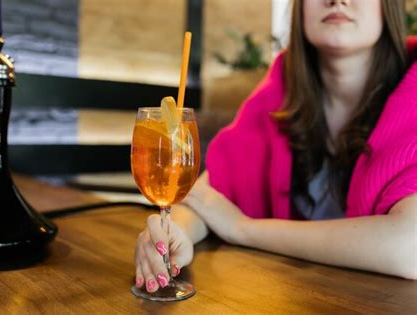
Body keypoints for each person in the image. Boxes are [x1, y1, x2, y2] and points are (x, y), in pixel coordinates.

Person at [134, 0, 417, 293]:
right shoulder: (277, 94)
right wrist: (175, 234)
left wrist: (244, 229)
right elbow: (208, 197)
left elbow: (410, 247)